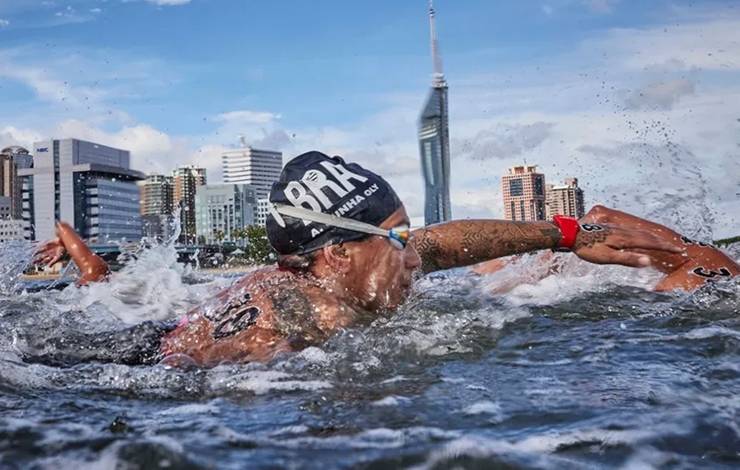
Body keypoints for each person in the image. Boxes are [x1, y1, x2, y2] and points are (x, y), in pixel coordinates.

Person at [32, 151, 684, 367]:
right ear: (338, 255)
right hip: (127, 359)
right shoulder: (297, 320)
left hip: (155, 325)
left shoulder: (345, 273)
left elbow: (446, 240)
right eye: (396, 240)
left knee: (105, 289)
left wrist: (565, 234)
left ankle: (83, 260)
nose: (414, 256)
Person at [473, 206, 739, 292]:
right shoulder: (707, 269)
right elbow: (601, 217)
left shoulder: (705, 272)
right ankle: (519, 272)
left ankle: (517, 272)